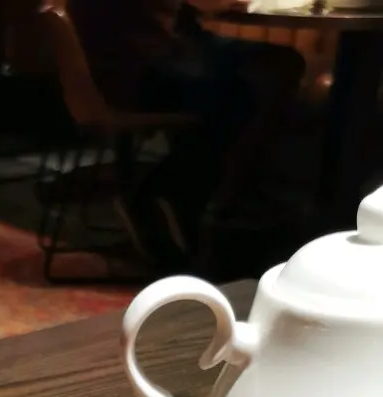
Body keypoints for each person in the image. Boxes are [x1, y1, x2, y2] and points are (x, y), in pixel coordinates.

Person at [69, 0, 305, 265]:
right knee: (243, 96)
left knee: (278, 66)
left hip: (152, 51)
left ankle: (207, 198)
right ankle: (190, 198)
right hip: (137, 65)